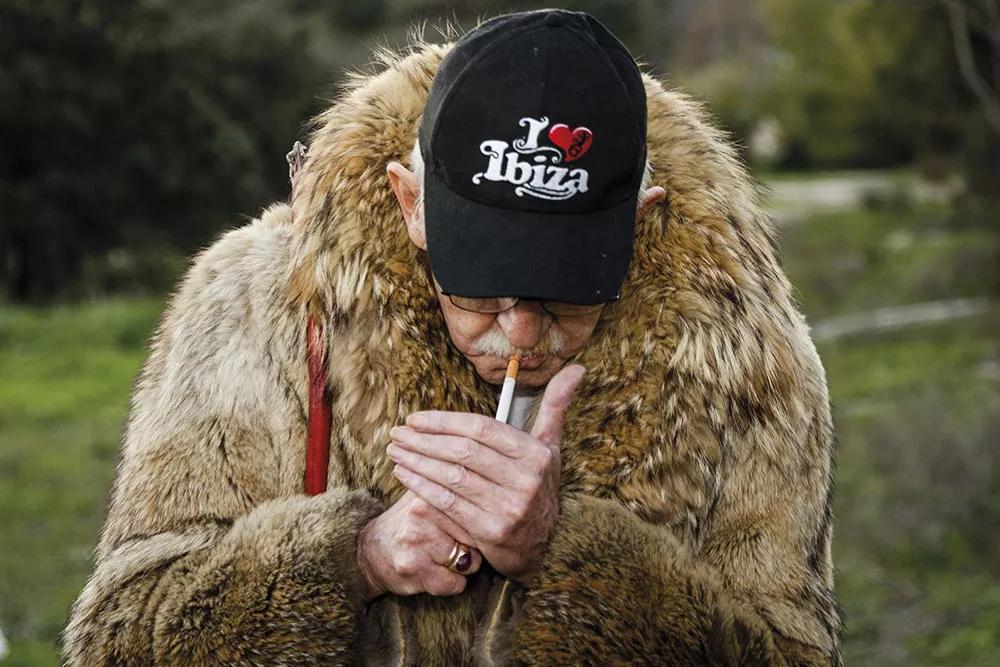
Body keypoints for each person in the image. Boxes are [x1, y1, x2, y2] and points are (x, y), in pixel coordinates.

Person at [63, 9, 842, 666]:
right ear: (410, 204)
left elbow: (794, 650)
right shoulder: (259, 307)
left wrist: (566, 552)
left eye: (569, 291)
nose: (523, 334)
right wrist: (354, 560)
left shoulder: (742, 352)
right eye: (479, 289)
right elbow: (116, 636)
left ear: (640, 221)